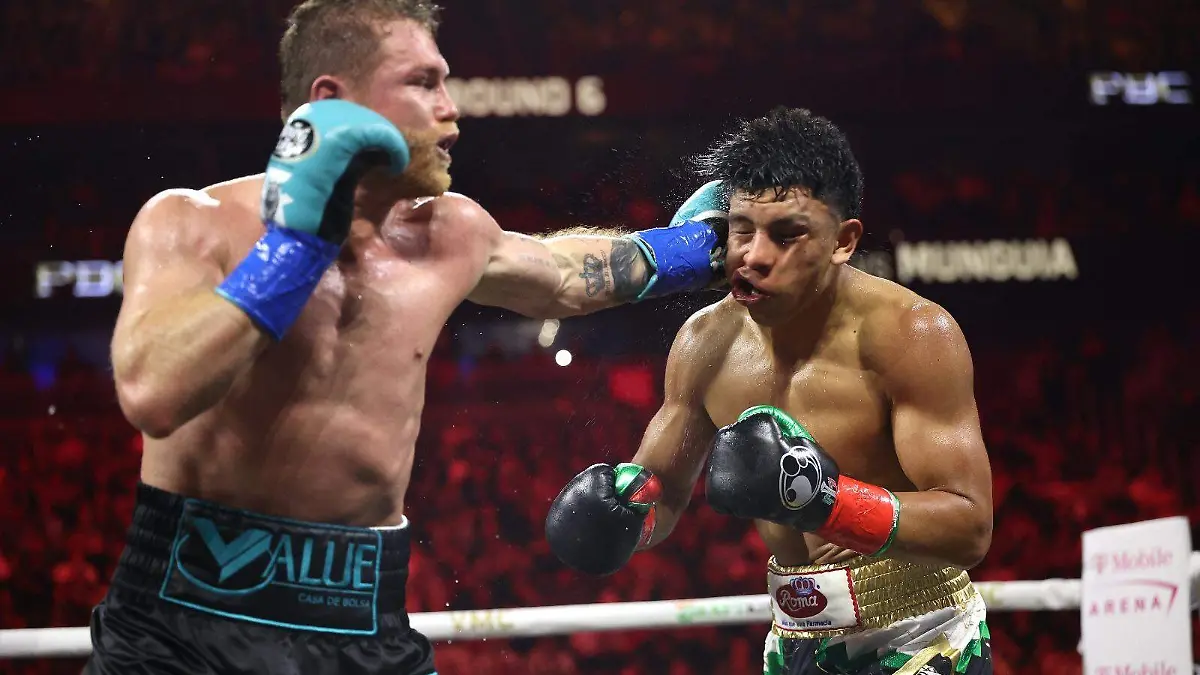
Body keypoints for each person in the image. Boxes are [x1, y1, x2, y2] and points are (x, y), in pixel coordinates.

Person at [87, 1, 728, 674]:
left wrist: (701, 247)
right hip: (183, 620)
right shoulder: (191, 223)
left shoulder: (448, 232)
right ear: (331, 103)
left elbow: (568, 275)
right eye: (423, 83)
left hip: (362, 618)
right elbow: (153, 392)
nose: (451, 109)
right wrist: (297, 247)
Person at [546, 107, 995, 675]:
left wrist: (828, 502)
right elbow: (662, 495)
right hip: (794, 639)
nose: (754, 256)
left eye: (787, 235)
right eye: (741, 230)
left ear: (843, 241)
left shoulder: (911, 335)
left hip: (921, 632)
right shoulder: (705, 343)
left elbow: (970, 528)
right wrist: (621, 519)